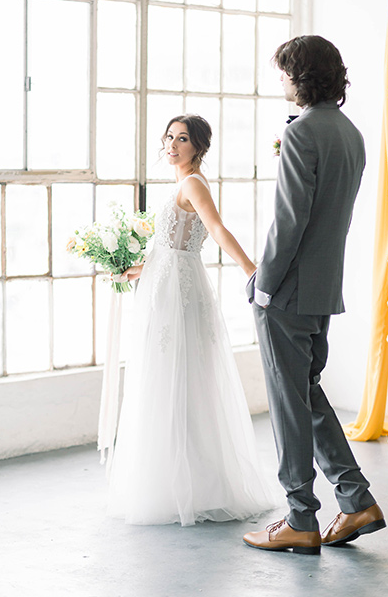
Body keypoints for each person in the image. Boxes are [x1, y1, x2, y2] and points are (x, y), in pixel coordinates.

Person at [243, 35, 386, 555]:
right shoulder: (350, 133)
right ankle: (355, 500)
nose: (279, 79)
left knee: (287, 402)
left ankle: (300, 517)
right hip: (324, 285)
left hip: (289, 288)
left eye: (283, 71)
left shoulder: (303, 132)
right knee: (307, 392)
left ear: (300, 76)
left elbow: (289, 222)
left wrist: (263, 283)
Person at [107, 114, 277, 526]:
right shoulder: (181, 184)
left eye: (182, 139)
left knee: (180, 378)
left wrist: (253, 271)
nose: (172, 144)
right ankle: (171, 480)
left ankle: (191, 485)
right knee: (166, 378)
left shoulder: (193, 183)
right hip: (164, 286)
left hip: (178, 294)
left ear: (198, 146)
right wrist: (137, 270)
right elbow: (171, 247)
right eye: (168, 137)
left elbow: (216, 229)